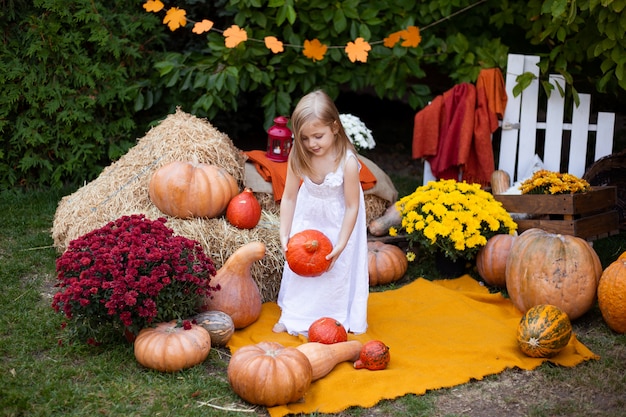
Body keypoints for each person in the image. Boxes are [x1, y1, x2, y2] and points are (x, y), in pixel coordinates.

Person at [272, 89, 369, 336]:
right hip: (308, 215)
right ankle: (295, 315)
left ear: (334, 127)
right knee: (302, 263)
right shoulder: (299, 154)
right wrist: (285, 232)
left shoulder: (346, 162)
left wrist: (342, 243)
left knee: (333, 269)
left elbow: (352, 206)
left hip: (339, 220)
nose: (311, 144)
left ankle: (330, 319)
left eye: (318, 136)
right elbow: (290, 196)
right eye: (304, 138)